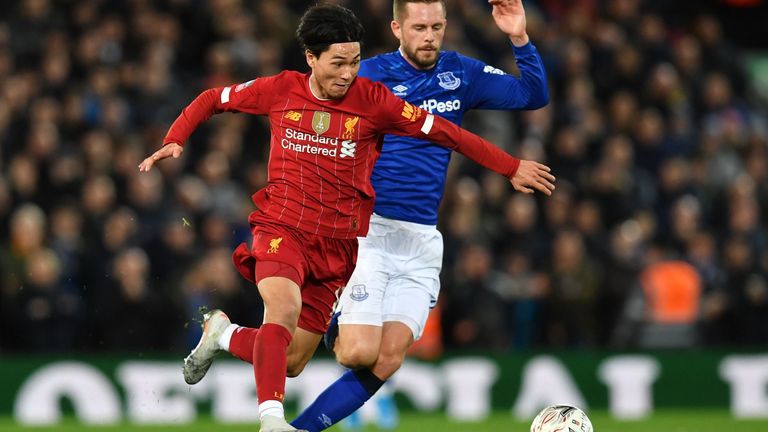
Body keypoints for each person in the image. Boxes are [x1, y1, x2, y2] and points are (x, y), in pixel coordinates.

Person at [139, 4, 554, 432]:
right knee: (282, 311)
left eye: (354, 62)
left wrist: (509, 166)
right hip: (285, 226)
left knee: (295, 361)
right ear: (311, 58)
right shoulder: (283, 89)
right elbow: (214, 98)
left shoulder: (376, 100)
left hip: (340, 243)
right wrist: (175, 139)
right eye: (337, 63)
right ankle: (273, 423)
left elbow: (445, 132)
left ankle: (223, 334)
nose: (348, 73)